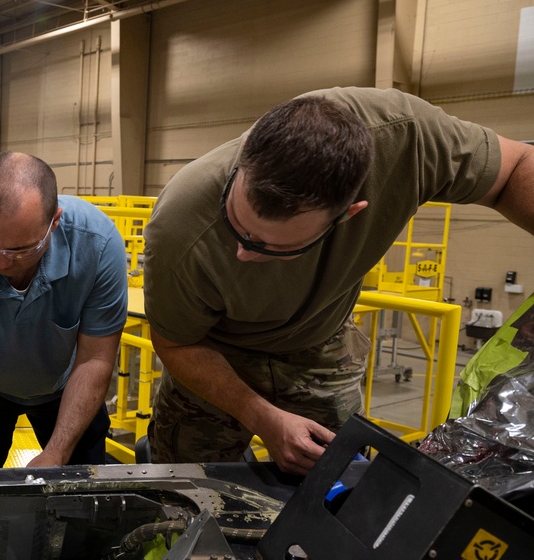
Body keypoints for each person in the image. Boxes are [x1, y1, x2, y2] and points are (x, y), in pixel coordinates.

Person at [143, 86, 534, 476]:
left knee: (342, 481)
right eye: (237, 225)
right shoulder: (180, 223)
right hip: (215, 350)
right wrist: (261, 417)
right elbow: (176, 341)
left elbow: (516, 165)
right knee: (185, 484)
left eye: (270, 246)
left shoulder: (407, 138)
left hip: (321, 340)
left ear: (349, 215)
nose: (244, 252)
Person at [0, 152, 128, 470]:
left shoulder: (96, 247)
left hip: (67, 384)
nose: (1, 261)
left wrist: (56, 453)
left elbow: (94, 359)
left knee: (82, 495)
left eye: (20, 250)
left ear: (54, 222)